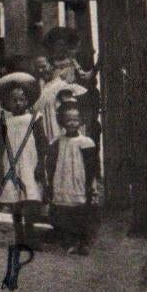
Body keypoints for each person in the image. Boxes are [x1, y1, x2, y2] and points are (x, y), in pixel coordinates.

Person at [0, 76, 48, 250]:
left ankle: (31, 236)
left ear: (28, 101)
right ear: (7, 103)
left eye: (22, 100)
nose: (18, 103)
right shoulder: (4, 122)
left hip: (29, 164)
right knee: (15, 202)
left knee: (30, 200)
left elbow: (42, 144)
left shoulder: (34, 119)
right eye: (14, 100)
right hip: (11, 164)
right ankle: (19, 237)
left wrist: (40, 165)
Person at [45, 101, 100, 255]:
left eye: (75, 119)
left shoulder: (86, 142)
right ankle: (69, 241)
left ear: (81, 120)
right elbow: (51, 165)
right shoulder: (56, 142)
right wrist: (50, 182)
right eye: (68, 119)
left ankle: (84, 242)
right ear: (61, 121)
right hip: (63, 181)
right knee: (65, 213)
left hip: (80, 182)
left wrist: (91, 184)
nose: (71, 123)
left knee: (82, 213)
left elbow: (91, 166)